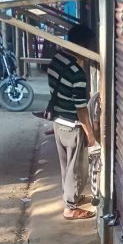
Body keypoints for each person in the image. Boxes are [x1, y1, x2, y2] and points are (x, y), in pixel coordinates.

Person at [47, 24, 98, 220]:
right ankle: (70, 208)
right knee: (76, 169)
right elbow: (81, 108)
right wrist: (90, 134)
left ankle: (71, 197)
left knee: (66, 167)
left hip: (58, 122)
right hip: (72, 125)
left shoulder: (57, 59)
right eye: (90, 46)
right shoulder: (77, 73)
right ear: (82, 46)